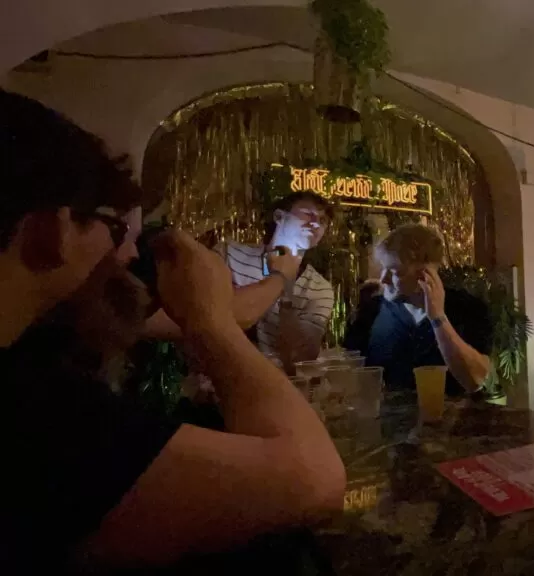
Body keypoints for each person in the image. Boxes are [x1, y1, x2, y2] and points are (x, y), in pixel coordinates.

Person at [0, 91, 347, 571]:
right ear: (53, 232)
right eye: (114, 229)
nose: (126, 256)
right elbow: (313, 481)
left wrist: (271, 292)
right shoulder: (35, 410)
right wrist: (236, 304)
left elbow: (291, 350)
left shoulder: (36, 362)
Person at [149, 192, 334, 367]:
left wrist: (285, 289)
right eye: (308, 214)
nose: (315, 223)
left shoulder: (320, 289)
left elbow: (302, 356)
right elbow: (200, 311)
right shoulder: (229, 253)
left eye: (323, 220)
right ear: (279, 216)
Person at [344, 223, 493, 397]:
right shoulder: (371, 310)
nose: (383, 280)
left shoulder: (467, 308)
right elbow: (349, 371)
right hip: (389, 421)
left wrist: (437, 317)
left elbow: (475, 380)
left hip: (454, 420)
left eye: (395, 272)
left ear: (425, 274)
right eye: (384, 269)